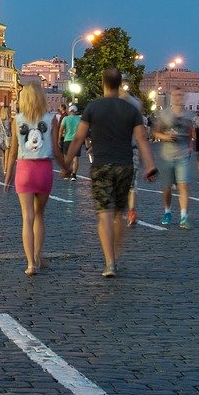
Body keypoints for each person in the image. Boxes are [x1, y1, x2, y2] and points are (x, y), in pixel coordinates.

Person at [61, 67, 158, 278]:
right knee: (118, 215)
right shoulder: (131, 110)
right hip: (125, 165)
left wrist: (67, 163)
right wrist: (150, 165)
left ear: (103, 83)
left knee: (104, 214)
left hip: (102, 165)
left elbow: (78, 138)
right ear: (119, 83)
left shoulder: (93, 108)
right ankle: (117, 253)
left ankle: (110, 263)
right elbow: (142, 140)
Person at [3, 83, 57, 275]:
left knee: (27, 218)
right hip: (44, 170)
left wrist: (8, 175)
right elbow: (56, 150)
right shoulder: (51, 119)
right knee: (39, 216)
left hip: (24, 171)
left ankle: (30, 264)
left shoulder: (17, 120)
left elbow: (12, 151)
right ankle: (37, 256)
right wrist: (66, 167)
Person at [153, 90, 193, 229]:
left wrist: (189, 148)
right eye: (176, 95)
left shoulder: (188, 115)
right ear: (171, 97)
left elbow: (190, 133)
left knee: (183, 185)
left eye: (181, 94)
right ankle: (167, 212)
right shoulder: (165, 114)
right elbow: (156, 132)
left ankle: (183, 217)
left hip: (182, 154)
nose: (178, 97)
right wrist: (166, 137)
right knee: (167, 187)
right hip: (167, 155)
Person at [60, 105, 81, 180]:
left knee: (66, 158)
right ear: (75, 111)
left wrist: (59, 139)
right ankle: (74, 175)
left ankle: (66, 174)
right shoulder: (79, 119)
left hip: (67, 140)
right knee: (75, 159)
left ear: (69, 111)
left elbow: (61, 129)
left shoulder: (65, 118)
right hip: (76, 140)